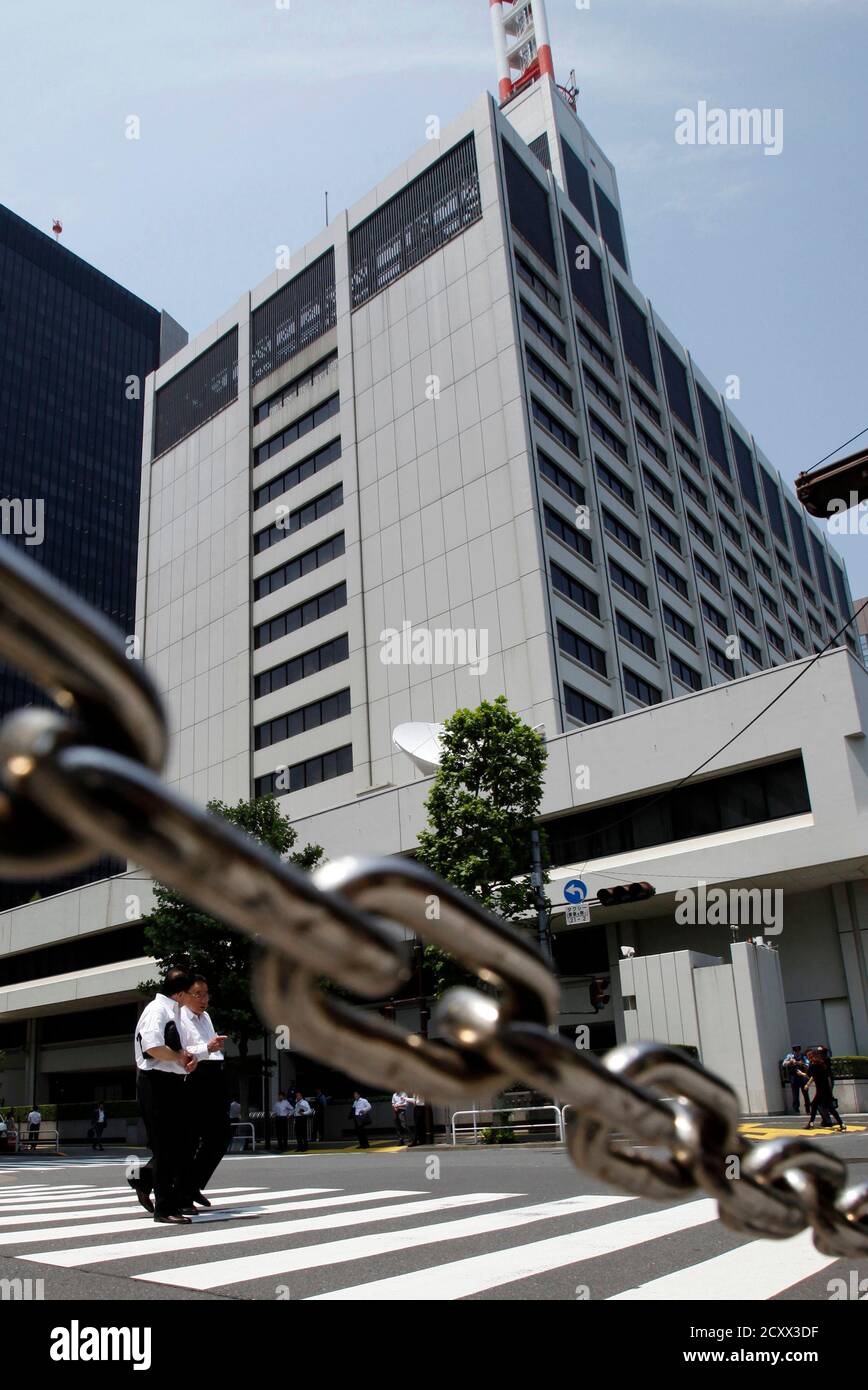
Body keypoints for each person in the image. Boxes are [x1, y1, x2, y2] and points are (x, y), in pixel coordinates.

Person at [131, 966, 199, 1224]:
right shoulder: (157, 1011)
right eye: (191, 993)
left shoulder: (171, 1011)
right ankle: (164, 1208)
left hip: (169, 1081)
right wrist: (180, 1056)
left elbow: (169, 1050)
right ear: (180, 994)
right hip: (155, 1082)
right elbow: (153, 1049)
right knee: (165, 1145)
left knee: (177, 1144)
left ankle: (168, 1199)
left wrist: (185, 1059)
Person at [178, 976, 230, 1208]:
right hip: (195, 1076)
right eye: (197, 994)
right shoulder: (179, 1016)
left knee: (220, 1136)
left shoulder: (206, 1016)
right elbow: (181, 1051)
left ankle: (190, 1185)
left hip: (214, 1073)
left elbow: (209, 1047)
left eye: (206, 994)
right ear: (184, 995)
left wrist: (214, 1047)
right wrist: (207, 1048)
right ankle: (182, 1188)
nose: (203, 999)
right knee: (190, 1137)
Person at [805, 1048, 845, 1132]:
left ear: (810, 1057)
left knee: (814, 1105)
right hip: (826, 1089)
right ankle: (842, 1124)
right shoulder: (822, 1064)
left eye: (808, 1057)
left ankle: (811, 1123)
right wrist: (830, 1090)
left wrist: (801, 1073)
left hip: (820, 1090)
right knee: (830, 1108)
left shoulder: (812, 1065)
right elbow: (828, 1078)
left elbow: (808, 1075)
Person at [782, 1045, 810, 1115]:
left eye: (798, 1050)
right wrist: (790, 1062)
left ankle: (808, 1109)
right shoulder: (790, 1056)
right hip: (794, 1076)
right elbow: (784, 1064)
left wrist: (802, 1063)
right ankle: (796, 1108)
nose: (797, 1052)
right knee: (795, 1093)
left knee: (805, 1093)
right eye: (795, 1050)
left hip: (802, 1076)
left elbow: (808, 1064)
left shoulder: (803, 1056)